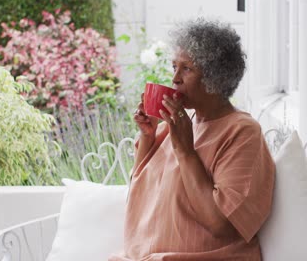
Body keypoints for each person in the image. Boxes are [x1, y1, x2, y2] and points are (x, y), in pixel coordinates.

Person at [110, 18, 275, 261]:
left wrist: (186, 150)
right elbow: (139, 199)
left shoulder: (242, 132)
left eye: (186, 69)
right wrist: (148, 138)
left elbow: (222, 223)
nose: (175, 78)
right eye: (174, 66)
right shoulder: (174, 127)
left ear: (215, 78)